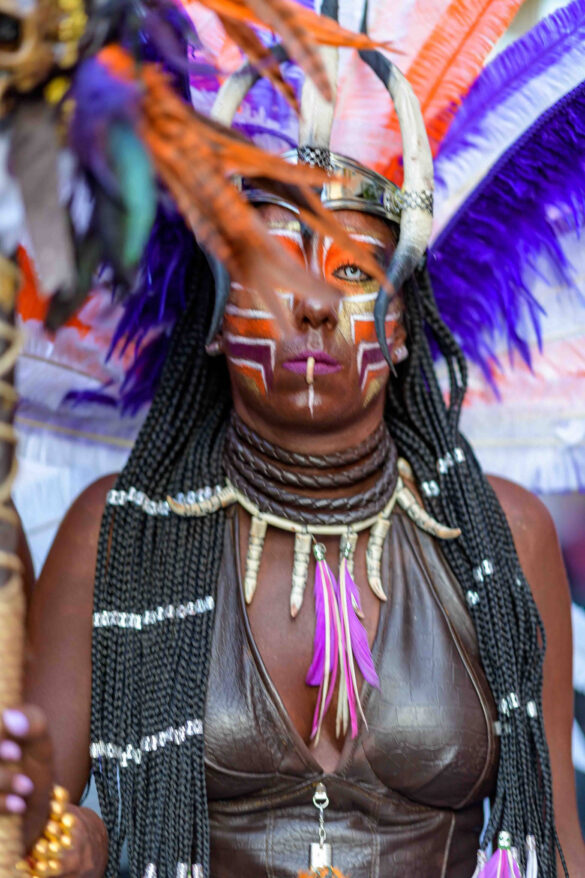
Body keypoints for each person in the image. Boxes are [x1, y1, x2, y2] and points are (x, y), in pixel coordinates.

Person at [1, 13, 584, 878]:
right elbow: (46, 837)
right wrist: (51, 828)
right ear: (213, 327)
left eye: (353, 273)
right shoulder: (117, 532)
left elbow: (559, 848)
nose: (312, 305)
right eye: (271, 269)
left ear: (398, 330)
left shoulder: (505, 536)